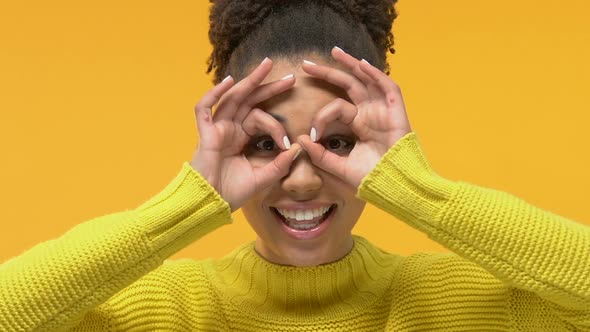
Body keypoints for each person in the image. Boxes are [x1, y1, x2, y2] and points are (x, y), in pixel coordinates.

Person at [1, 0, 588, 331]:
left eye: (337, 144)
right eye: (264, 145)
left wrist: (413, 186)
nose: (302, 180)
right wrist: (192, 198)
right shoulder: (166, 310)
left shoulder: (452, 303)